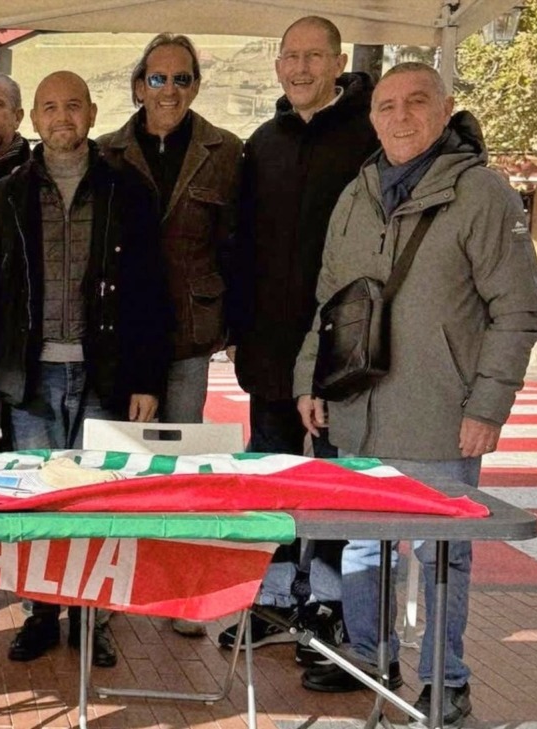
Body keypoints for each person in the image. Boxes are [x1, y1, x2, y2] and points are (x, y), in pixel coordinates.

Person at [293, 64, 537, 718]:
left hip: (441, 415)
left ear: (445, 108)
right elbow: (329, 302)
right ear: (371, 117)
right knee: (362, 546)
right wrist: (309, 380)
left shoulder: (481, 193)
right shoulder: (356, 195)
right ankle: (371, 658)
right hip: (357, 412)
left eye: (416, 102)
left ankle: (446, 678)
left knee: (444, 556)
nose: (401, 117)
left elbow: (520, 309)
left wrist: (487, 405)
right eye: (387, 106)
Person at [0, 71, 171, 667]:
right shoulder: (6, 194)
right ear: (33, 119)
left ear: (92, 113)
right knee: (39, 501)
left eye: (72, 106)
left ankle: (91, 617)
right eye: (49, 107)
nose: (62, 117)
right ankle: (41, 613)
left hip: (105, 375)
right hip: (29, 379)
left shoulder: (127, 189)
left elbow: (151, 292)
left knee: (96, 500)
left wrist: (147, 380)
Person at [223, 16, 379, 657]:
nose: (301, 68)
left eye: (314, 56)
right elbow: (239, 245)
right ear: (278, 66)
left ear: (338, 62)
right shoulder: (262, 143)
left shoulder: (371, 137)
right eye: (291, 56)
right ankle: (275, 599)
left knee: (336, 484)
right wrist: (236, 329)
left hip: (346, 354)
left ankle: (332, 608)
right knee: (273, 479)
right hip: (269, 351)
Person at [98, 35, 242, 638]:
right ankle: (111, 590)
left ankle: (181, 591)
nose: (170, 91)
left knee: (182, 467)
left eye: (182, 79)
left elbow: (238, 245)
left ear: (196, 87)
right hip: (121, 335)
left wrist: (234, 326)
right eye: (158, 79)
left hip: (188, 332)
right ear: (139, 86)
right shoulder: (107, 152)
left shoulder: (226, 152)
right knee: (120, 467)